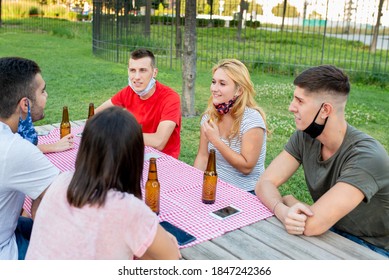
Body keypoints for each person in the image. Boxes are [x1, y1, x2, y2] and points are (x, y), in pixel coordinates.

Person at [255, 65, 389, 257]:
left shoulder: (367, 156)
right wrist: (281, 210)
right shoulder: (305, 136)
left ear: (325, 109)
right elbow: (264, 183)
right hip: (328, 231)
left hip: (371, 248)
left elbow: (311, 225)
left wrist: (289, 199)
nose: (291, 107)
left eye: (300, 101)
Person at [26, 107, 181, 260]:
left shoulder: (61, 181)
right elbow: (172, 259)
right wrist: (155, 235)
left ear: (84, 151)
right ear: (134, 157)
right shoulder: (129, 209)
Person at [0, 57, 60, 260]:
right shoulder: (14, 149)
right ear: (25, 104)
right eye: (42, 91)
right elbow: (69, 197)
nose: (46, 96)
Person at [194, 59, 267, 192]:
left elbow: (246, 167)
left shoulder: (251, 120)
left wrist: (216, 140)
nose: (214, 89)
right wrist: (195, 184)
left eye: (222, 84)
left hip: (247, 191)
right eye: (213, 82)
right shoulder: (210, 117)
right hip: (215, 186)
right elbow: (203, 157)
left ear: (239, 90)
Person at [96, 48, 181, 158]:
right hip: (134, 153)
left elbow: (159, 142)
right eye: (132, 70)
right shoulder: (128, 92)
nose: (136, 77)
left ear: (154, 72)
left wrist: (120, 134)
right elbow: (96, 114)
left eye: (142, 70)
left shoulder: (170, 98)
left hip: (162, 161)